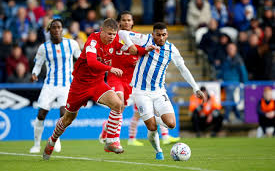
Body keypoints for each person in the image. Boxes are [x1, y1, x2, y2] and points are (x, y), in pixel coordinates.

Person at [42, 18, 153, 160]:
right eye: (108, 34)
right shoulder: (92, 40)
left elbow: (131, 50)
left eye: (114, 34)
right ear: (102, 30)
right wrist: (110, 68)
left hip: (97, 83)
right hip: (80, 85)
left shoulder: (116, 42)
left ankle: (111, 141)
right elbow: (92, 62)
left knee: (118, 104)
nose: (111, 37)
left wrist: (145, 50)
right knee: (68, 118)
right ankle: (52, 139)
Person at [118, 22, 206, 160]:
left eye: (163, 35)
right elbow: (122, 33)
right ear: (153, 34)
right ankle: (158, 151)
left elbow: (183, 69)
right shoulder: (145, 39)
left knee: (171, 124)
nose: (161, 38)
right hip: (140, 92)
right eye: (158, 35)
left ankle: (151, 117)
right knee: (152, 128)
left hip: (159, 92)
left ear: (167, 35)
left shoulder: (172, 49)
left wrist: (195, 87)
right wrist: (131, 46)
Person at [99, 11, 180, 147]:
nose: (126, 22)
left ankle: (107, 128)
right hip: (116, 77)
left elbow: (144, 54)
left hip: (134, 81)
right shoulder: (113, 37)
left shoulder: (139, 38)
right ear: (119, 23)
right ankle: (114, 141)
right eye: (123, 20)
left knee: (138, 109)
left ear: (132, 22)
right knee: (118, 105)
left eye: (129, 20)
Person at [29, 19, 81, 153]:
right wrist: (35, 73)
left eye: (59, 27)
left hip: (67, 85)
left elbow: (81, 60)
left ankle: (55, 139)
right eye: (54, 28)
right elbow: (38, 64)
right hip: (50, 85)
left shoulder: (72, 44)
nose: (57, 30)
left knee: (64, 114)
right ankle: (36, 144)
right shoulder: (43, 47)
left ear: (62, 29)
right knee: (41, 114)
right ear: (49, 30)